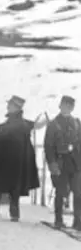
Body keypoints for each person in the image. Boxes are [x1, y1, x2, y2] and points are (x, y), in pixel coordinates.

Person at [0, 96, 40, 221]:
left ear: (16, 108)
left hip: (12, 161)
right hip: (5, 159)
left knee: (10, 186)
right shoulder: (15, 121)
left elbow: (9, 131)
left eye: (10, 105)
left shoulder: (20, 123)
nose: (8, 107)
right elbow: (5, 127)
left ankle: (10, 212)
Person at [44, 95, 81, 230]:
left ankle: (78, 221)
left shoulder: (76, 122)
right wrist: (52, 164)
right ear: (60, 106)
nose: (68, 108)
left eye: (70, 106)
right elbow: (48, 146)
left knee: (78, 193)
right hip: (61, 162)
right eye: (65, 105)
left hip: (75, 163)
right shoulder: (54, 124)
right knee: (60, 192)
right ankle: (58, 219)